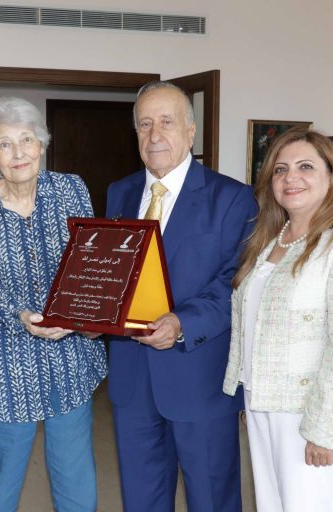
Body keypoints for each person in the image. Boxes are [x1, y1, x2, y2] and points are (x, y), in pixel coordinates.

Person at [105, 81, 257, 512]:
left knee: (211, 498)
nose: (154, 135)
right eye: (144, 124)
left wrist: (182, 322)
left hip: (199, 378)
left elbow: (236, 282)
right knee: (142, 498)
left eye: (167, 122)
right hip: (132, 381)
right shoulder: (119, 192)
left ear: (191, 131)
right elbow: (112, 274)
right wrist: (92, 312)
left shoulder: (233, 198)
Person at [223, 127, 333, 511]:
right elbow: (255, 324)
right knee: (271, 504)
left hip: (307, 409)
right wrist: (251, 395)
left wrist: (324, 429)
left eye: (305, 167)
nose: (290, 177)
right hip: (264, 401)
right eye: (280, 169)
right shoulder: (270, 238)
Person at [0, 97, 107, 511]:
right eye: (5, 144)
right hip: (3, 360)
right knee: (2, 482)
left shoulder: (71, 189)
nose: (18, 152)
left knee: (75, 475)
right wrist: (20, 315)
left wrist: (80, 317)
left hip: (68, 353)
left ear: (42, 144)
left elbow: (90, 262)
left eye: (27, 139)